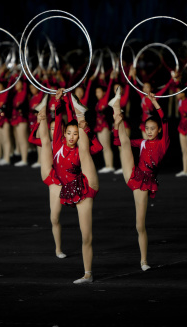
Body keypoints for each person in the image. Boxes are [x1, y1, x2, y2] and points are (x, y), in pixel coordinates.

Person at [110, 86, 170, 271]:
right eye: (147, 128)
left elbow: (165, 120)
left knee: (139, 225)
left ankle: (143, 260)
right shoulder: (143, 142)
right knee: (126, 141)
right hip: (134, 174)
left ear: (159, 130)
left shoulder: (162, 144)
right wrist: (116, 126)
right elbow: (118, 142)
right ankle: (116, 107)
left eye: (153, 129)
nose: (149, 131)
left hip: (146, 182)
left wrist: (153, 102)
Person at [50, 88, 99, 284]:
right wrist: (59, 102)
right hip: (70, 189)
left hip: (86, 186)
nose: (71, 137)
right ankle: (89, 274)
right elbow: (59, 118)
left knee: (85, 152)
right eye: (68, 133)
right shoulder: (57, 143)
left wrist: (85, 129)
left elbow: (98, 148)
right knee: (84, 235)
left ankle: (80, 115)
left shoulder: (79, 148)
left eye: (75, 134)